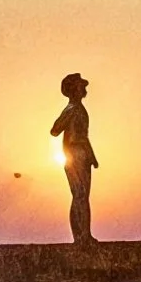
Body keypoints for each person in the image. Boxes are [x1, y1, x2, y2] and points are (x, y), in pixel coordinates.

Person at [49, 72, 97, 243]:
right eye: (80, 86)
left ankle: (85, 235)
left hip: (82, 154)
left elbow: (84, 135)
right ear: (73, 89)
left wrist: (91, 156)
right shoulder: (72, 109)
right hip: (74, 154)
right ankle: (80, 236)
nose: (84, 89)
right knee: (79, 195)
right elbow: (55, 130)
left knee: (82, 196)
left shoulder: (79, 108)